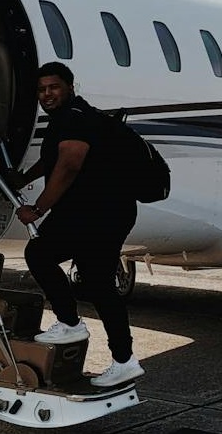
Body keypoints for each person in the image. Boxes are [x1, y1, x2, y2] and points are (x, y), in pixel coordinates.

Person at [14, 62, 144, 387]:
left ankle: (71, 323)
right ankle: (123, 360)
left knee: (40, 254)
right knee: (98, 283)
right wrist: (24, 177)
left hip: (98, 210)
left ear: (70, 86)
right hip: (100, 209)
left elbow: (69, 164)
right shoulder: (66, 118)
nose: (47, 94)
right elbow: (53, 158)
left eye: (53, 87)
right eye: (41, 90)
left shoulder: (74, 116)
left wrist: (38, 208)